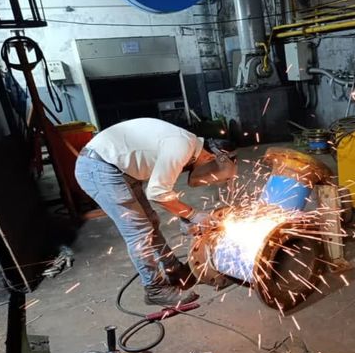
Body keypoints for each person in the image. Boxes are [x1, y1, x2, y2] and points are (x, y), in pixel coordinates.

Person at [75, 118, 236, 306]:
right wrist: (193, 215)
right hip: (100, 168)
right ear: (209, 157)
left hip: (118, 168)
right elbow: (157, 193)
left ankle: (174, 270)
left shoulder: (188, 143)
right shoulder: (181, 147)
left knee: (151, 222)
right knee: (139, 232)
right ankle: (155, 289)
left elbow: (162, 190)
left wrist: (183, 215)